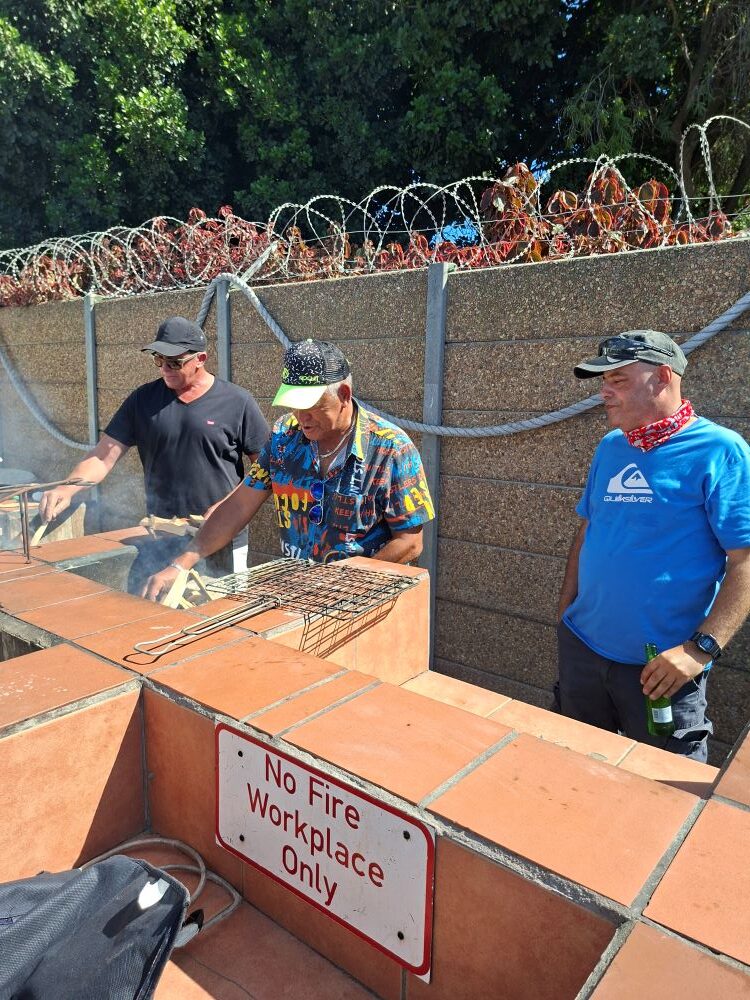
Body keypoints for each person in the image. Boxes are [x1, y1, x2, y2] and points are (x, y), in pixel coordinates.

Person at [555, 329, 750, 761]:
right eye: (602, 382)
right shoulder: (611, 447)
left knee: (664, 795)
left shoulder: (721, 450)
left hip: (662, 668)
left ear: (662, 377)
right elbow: (589, 527)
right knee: (576, 771)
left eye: (618, 381)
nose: (603, 393)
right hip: (584, 648)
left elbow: (745, 561)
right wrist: (566, 610)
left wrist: (700, 651)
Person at [143, 338, 435, 600]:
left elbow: (410, 543)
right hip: (296, 594)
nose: (301, 417)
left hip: (365, 601)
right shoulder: (284, 437)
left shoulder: (391, 448)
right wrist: (181, 563)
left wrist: (338, 584)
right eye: (294, 406)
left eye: (310, 406)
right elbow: (239, 505)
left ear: (344, 394)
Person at [39, 316, 269, 593]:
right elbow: (103, 456)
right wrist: (68, 487)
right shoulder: (142, 401)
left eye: (175, 362)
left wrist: (226, 505)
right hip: (161, 533)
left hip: (221, 534)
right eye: (159, 360)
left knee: (220, 618)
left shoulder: (237, 402)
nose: (165, 369)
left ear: (201, 358)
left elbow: (265, 469)